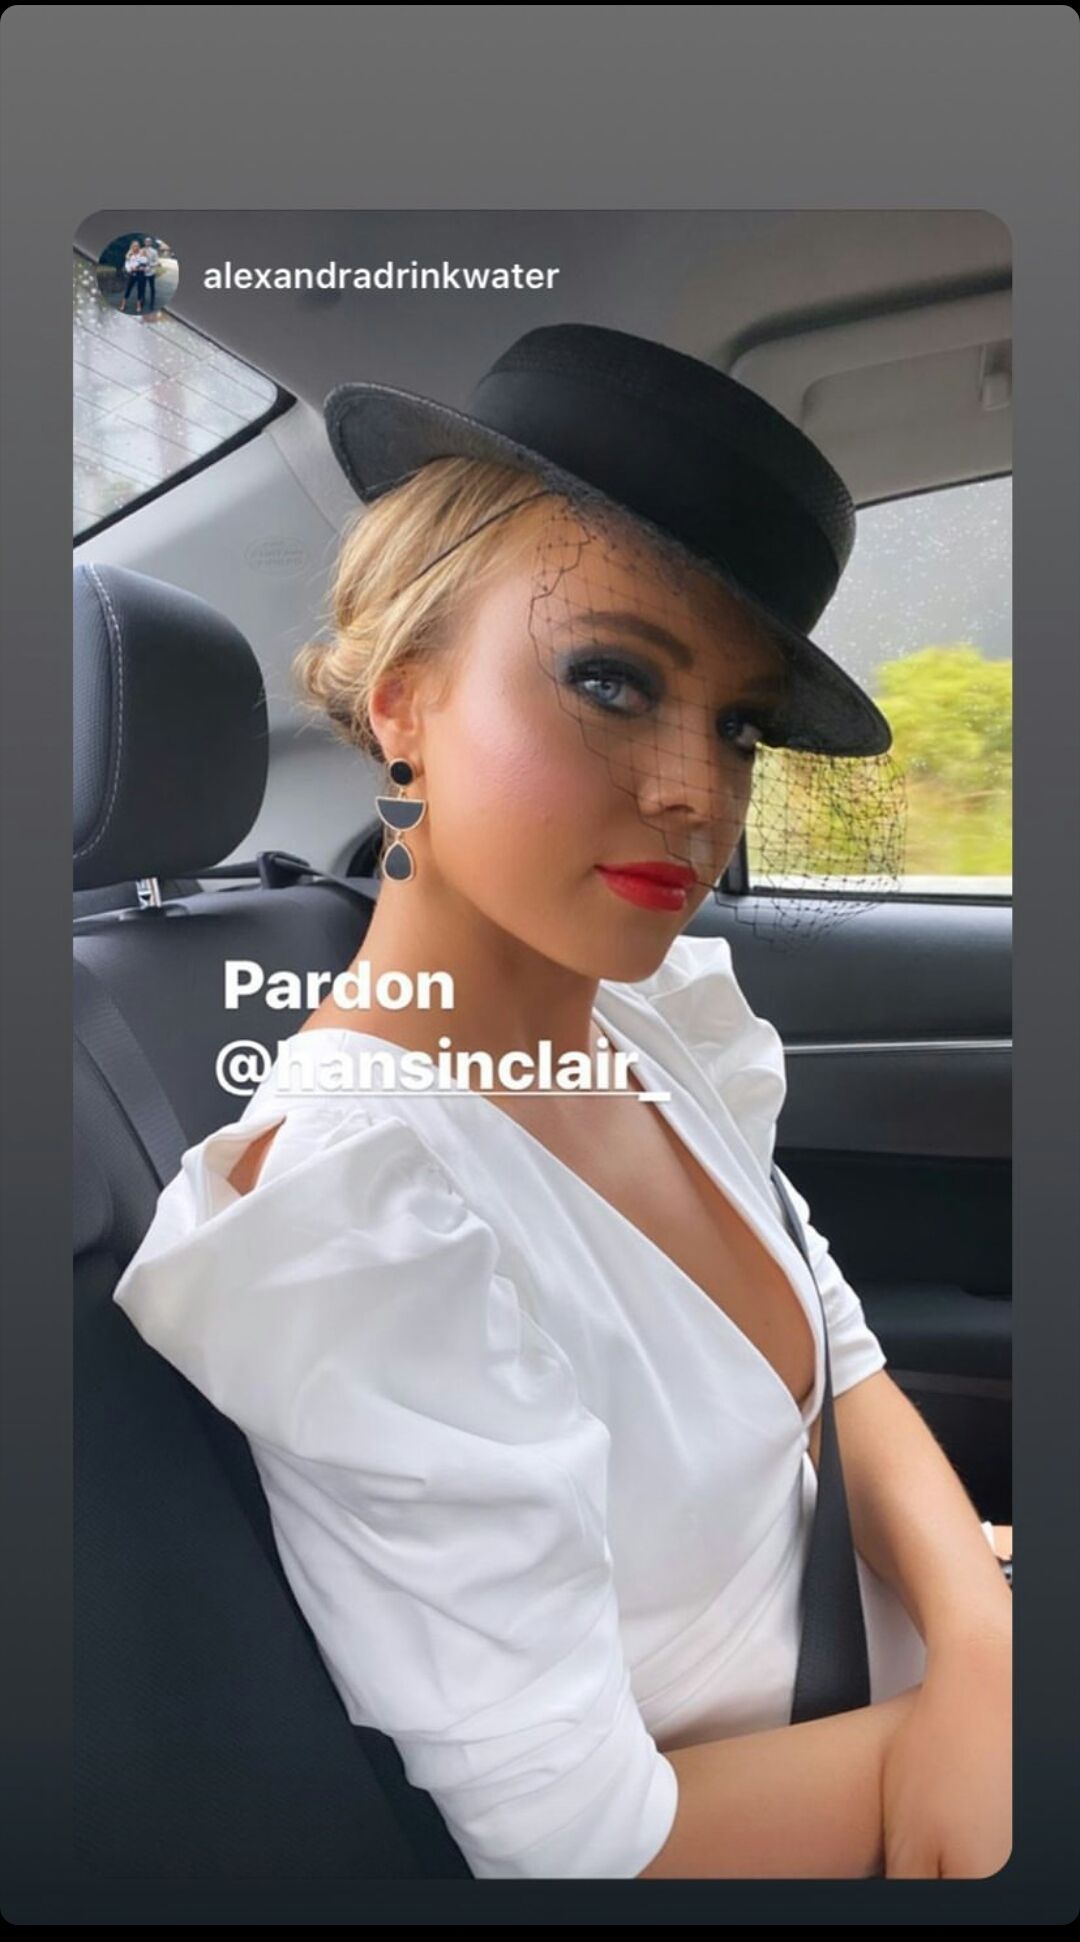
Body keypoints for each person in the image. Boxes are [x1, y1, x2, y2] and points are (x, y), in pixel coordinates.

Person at [110, 323, 1011, 1880]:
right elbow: (590, 1846)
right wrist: (954, 1743)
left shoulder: (655, 1026)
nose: (698, 791)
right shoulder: (355, 1212)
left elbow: (840, 1353)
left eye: (736, 722)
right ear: (405, 702)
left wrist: (981, 1635)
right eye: (611, 679)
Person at [119, 241, 148, 314]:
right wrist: (130, 269)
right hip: (132, 273)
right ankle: (123, 304)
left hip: (140, 273)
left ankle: (138, 305)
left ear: (139, 247)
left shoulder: (142, 253)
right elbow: (127, 264)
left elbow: (144, 263)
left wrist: (139, 268)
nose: (136, 247)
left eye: (137, 246)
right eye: (134, 246)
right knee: (128, 288)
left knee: (140, 289)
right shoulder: (129, 254)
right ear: (132, 247)